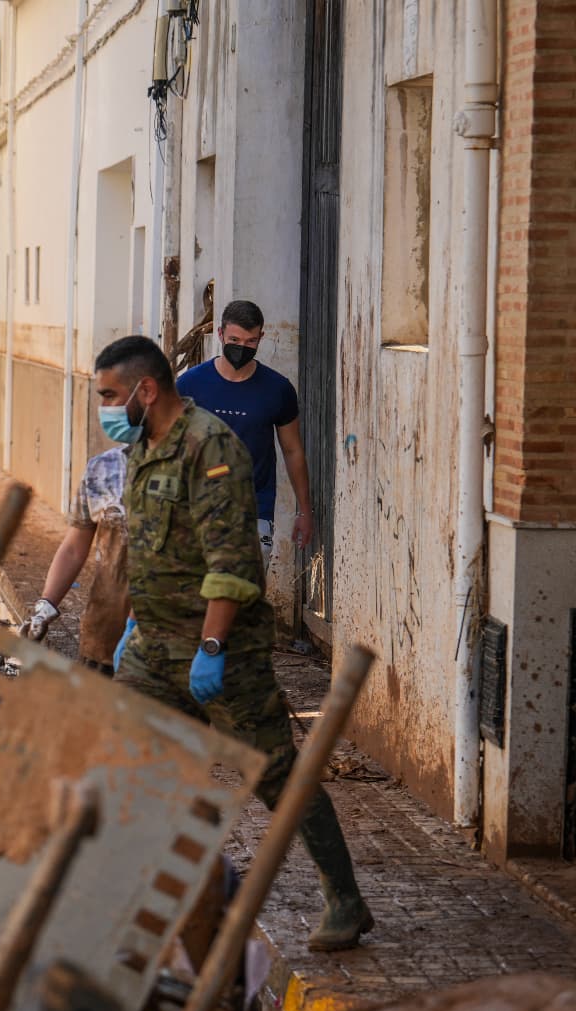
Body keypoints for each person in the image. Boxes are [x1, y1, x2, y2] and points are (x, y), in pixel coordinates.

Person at [95, 335, 370, 952]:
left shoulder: (209, 447)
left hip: (220, 650)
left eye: (110, 396)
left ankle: (345, 899)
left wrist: (213, 650)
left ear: (145, 390)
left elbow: (232, 563)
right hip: (154, 646)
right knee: (136, 770)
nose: (105, 408)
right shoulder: (143, 447)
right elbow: (151, 548)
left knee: (275, 776)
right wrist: (135, 625)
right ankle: (149, 904)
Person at [174, 300, 314, 560]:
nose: (242, 348)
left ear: (261, 337)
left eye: (250, 342)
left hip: (254, 508)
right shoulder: (189, 385)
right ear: (220, 334)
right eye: (235, 340)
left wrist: (305, 512)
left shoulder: (278, 389)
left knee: (245, 595)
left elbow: (293, 450)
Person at [23, 446, 130, 675]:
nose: (111, 410)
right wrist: (44, 609)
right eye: (107, 405)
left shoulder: (189, 463)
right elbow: (73, 548)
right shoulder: (103, 468)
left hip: (166, 643)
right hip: (104, 637)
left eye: (118, 405)